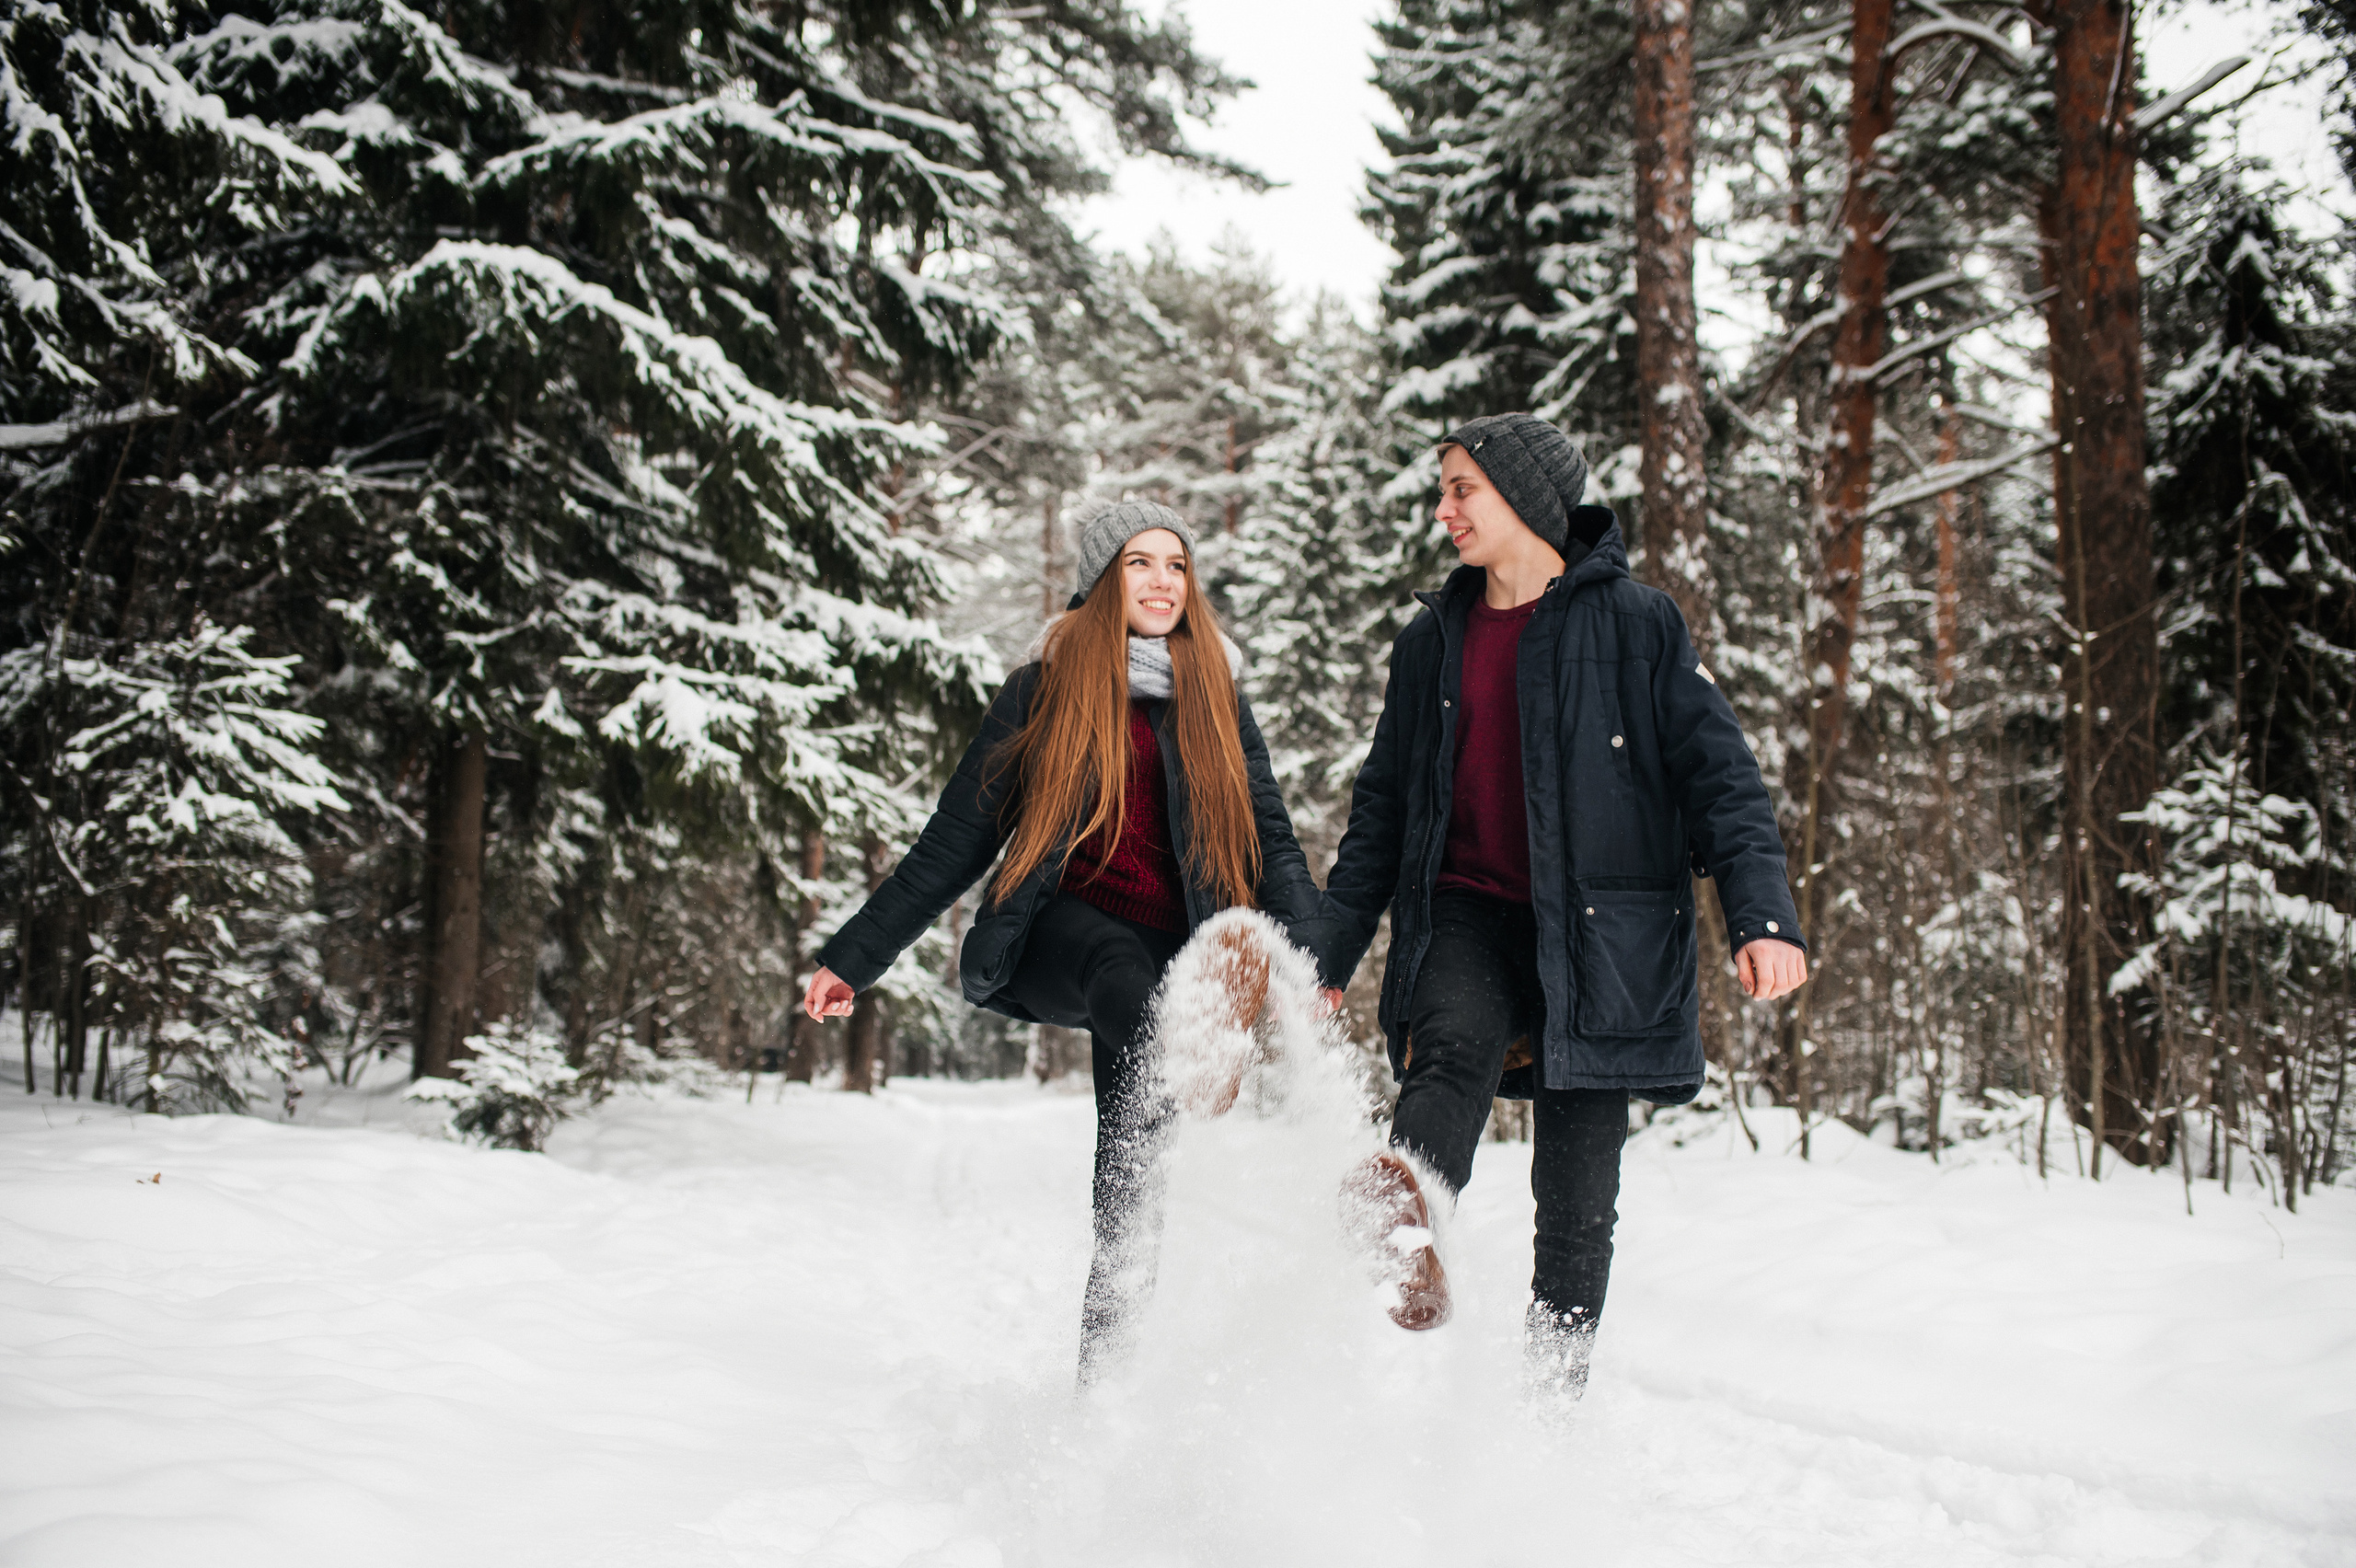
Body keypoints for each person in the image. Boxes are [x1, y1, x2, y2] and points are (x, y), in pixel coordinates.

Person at [1318, 412, 1809, 1399]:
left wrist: (1761, 917)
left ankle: (1550, 1413)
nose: (1444, 508)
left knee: (1579, 1197)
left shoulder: (1639, 625)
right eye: (1443, 488)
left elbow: (1721, 779)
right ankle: (1408, 1233)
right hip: (1467, 911)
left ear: (1528, 500)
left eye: (1463, 488)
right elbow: (1380, 811)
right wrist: (1329, 952)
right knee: (1447, 1045)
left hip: (1602, 939)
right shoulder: (1432, 644)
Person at [801, 499, 1330, 1385]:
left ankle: (1106, 1402)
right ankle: (1199, 1050)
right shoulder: (1043, 690)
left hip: (1173, 968)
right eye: (1139, 564)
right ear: (1100, 580)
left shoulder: (1215, 697)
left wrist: (1315, 959)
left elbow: (1270, 840)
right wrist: (852, 959)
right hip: (1060, 937)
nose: (1163, 582)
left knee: (1130, 1192)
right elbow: (952, 845)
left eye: (1176, 565)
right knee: (1116, 967)